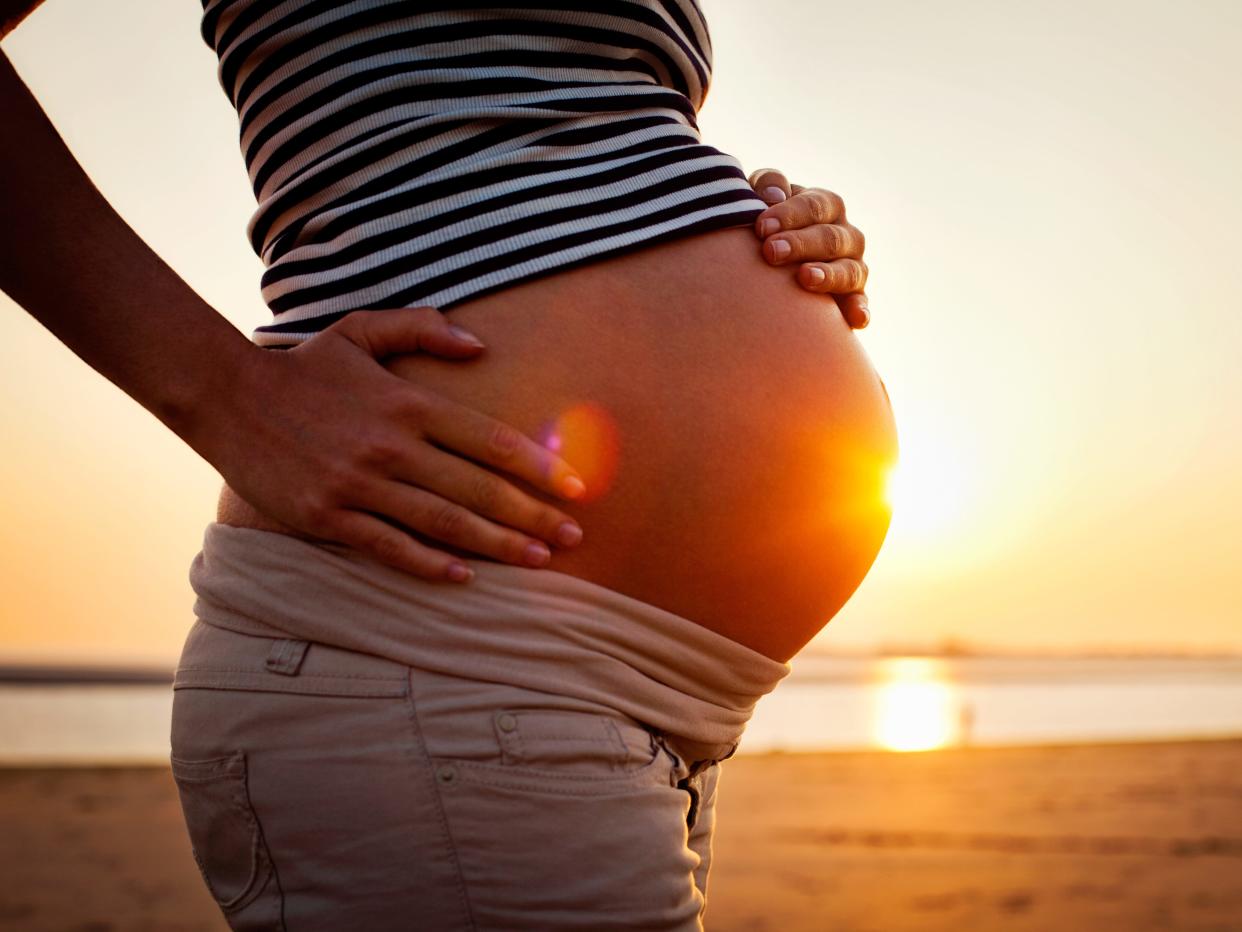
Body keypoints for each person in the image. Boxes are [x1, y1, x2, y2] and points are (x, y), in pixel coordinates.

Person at [2, 2, 897, 929]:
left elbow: (546, 124)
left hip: (632, 697)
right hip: (431, 649)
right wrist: (225, 394)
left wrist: (739, 215)